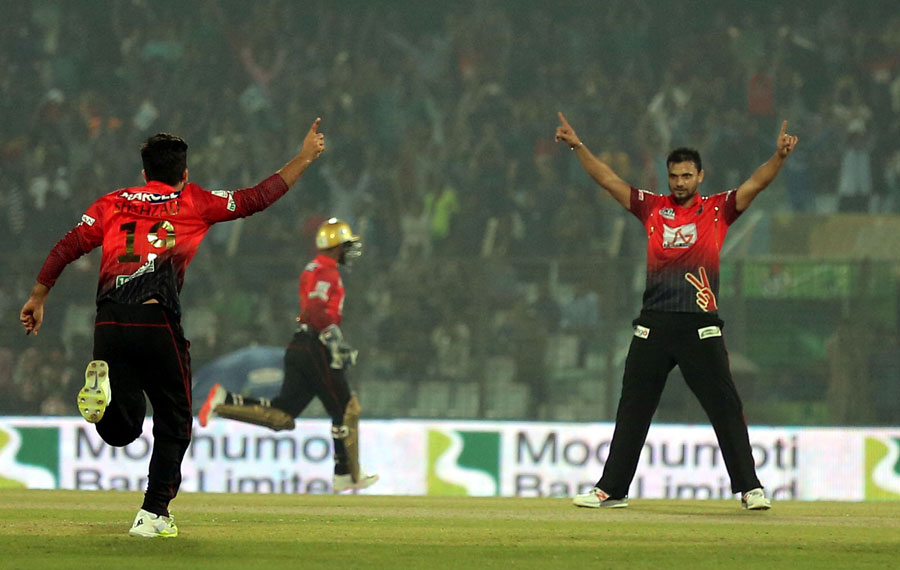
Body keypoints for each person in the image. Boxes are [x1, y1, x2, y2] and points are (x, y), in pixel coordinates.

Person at [19, 118, 326, 537]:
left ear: (144, 173)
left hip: (108, 321)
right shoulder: (193, 202)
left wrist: (39, 296)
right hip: (155, 319)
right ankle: (153, 513)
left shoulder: (111, 203)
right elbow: (257, 198)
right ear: (184, 174)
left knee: (123, 426)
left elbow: (67, 245)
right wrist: (305, 156)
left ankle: (103, 398)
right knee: (176, 417)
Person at [555, 112, 798, 510]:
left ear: (701, 177)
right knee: (633, 405)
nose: (680, 183)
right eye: (674, 177)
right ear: (668, 178)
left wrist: (779, 158)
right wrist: (578, 146)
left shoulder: (719, 209)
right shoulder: (652, 209)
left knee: (726, 406)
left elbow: (757, 183)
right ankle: (612, 489)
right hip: (653, 323)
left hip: (700, 324)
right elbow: (607, 180)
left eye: (687, 176)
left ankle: (750, 488)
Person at [198, 217, 379, 493]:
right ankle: (348, 474)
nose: (348, 250)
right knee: (346, 408)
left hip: (301, 345)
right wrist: (333, 339)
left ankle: (225, 402)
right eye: (344, 245)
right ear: (333, 246)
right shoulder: (327, 271)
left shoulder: (313, 268)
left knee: (283, 414)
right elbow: (318, 310)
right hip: (314, 346)